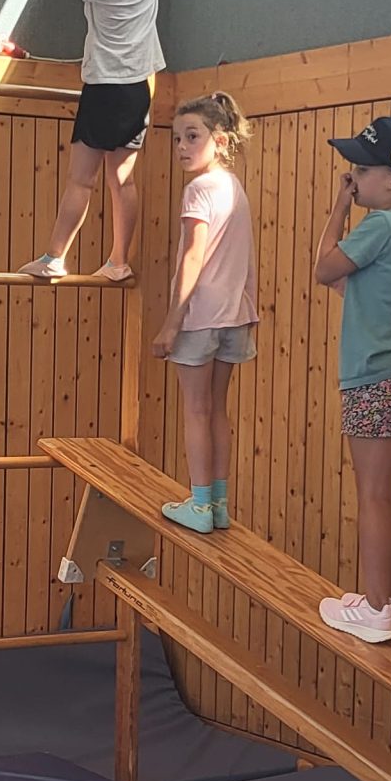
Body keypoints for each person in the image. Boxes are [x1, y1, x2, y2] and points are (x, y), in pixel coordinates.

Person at [314, 115, 391, 644]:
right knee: (389, 493)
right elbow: (360, 291)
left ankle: (374, 607)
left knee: (371, 495)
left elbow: (324, 268)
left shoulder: (381, 225)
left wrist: (338, 209)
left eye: (362, 171)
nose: (353, 178)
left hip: (376, 377)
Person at [18, 0, 166, 284]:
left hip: (104, 90)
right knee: (122, 180)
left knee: (81, 179)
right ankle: (119, 261)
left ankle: (54, 257)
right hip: (137, 91)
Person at [152, 92, 257, 535]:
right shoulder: (233, 186)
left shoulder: (197, 190)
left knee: (196, 410)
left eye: (192, 136)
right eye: (177, 138)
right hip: (235, 314)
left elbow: (191, 258)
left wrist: (171, 322)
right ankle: (217, 503)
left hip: (202, 315)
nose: (181, 146)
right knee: (217, 410)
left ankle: (198, 505)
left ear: (221, 140)